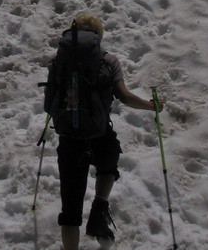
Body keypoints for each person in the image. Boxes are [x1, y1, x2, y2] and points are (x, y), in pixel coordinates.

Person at [56, 13, 163, 250]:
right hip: (99, 134)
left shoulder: (61, 60)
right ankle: (99, 209)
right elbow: (124, 96)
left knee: (70, 211)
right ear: (98, 36)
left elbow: (52, 98)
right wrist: (150, 106)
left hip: (69, 139)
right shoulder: (109, 61)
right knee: (108, 162)